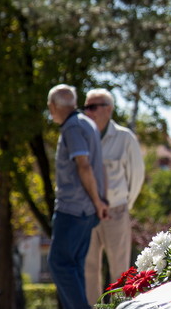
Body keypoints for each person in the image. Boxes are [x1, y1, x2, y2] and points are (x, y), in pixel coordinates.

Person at [47, 84, 109, 309]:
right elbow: (99, 166)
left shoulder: (72, 127)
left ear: (53, 106)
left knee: (59, 264)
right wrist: (100, 201)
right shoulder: (88, 124)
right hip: (87, 211)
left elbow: (84, 166)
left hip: (73, 210)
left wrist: (97, 201)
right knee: (73, 266)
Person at [83, 88, 145, 305]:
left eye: (92, 107)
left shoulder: (124, 138)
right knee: (88, 269)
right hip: (87, 212)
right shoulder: (82, 137)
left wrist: (123, 205)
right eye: (85, 107)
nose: (87, 112)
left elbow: (136, 176)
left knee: (121, 271)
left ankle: (122, 307)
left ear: (108, 109)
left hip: (116, 212)